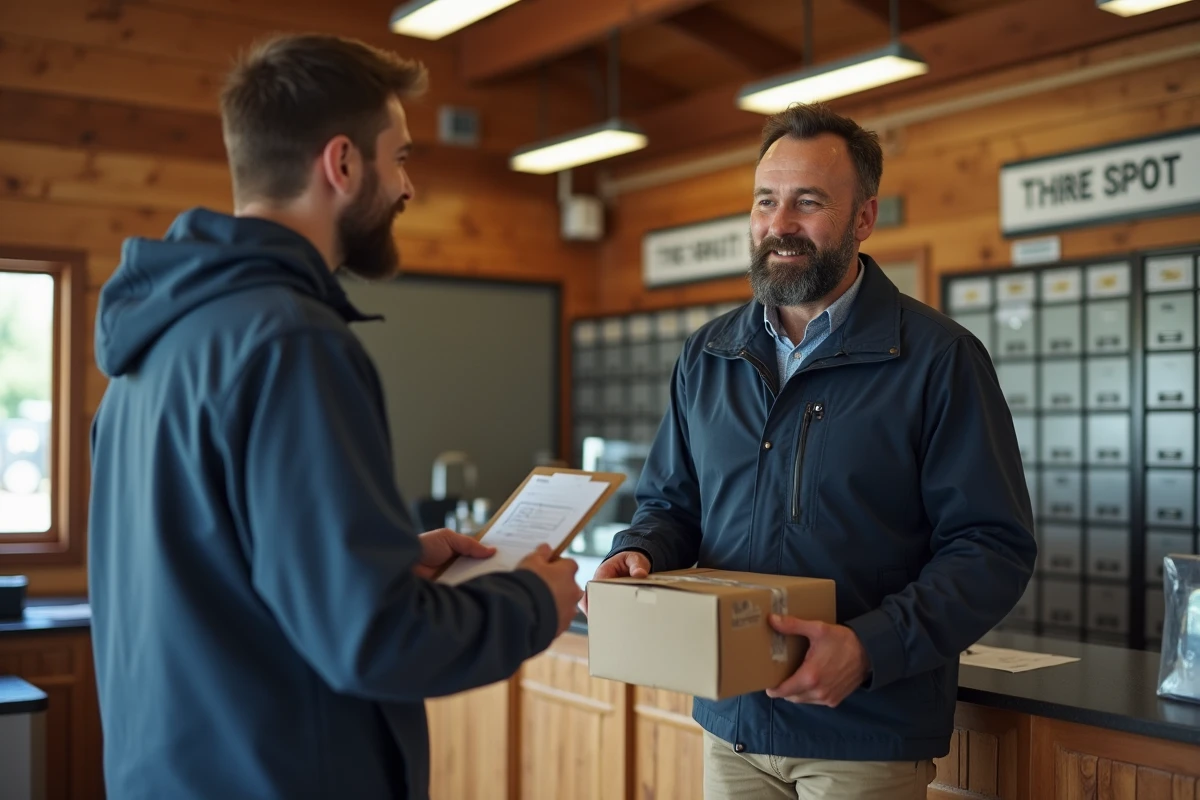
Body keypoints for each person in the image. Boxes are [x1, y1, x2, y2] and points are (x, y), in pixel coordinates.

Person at [88, 34, 582, 800]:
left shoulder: (151, 348)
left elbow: (218, 576)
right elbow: (373, 640)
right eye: (402, 157)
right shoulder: (292, 342)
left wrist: (384, 556)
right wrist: (531, 605)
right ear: (343, 164)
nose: (408, 186)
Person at [586, 102, 1037, 799]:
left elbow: (992, 548)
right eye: (766, 201)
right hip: (732, 724)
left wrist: (870, 649)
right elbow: (671, 504)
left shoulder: (939, 359)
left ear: (864, 218)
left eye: (809, 202)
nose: (780, 225)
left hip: (864, 734)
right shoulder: (708, 355)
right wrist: (641, 550)